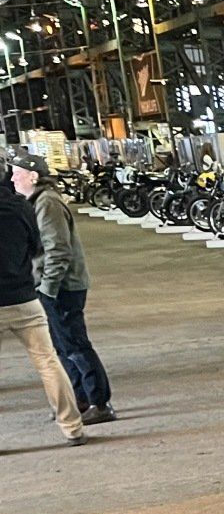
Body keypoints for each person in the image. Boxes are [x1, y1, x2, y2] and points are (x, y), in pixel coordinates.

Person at [15, 155, 112, 423]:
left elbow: (58, 249)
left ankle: (99, 402)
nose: (12, 179)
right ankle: (80, 398)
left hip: (62, 287)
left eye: (17, 173)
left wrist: (48, 288)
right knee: (62, 346)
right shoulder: (36, 202)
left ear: (33, 176)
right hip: (52, 285)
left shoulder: (47, 203)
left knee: (75, 345)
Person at [1, 172, 85, 446]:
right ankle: (72, 428)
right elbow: (36, 247)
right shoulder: (21, 207)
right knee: (48, 362)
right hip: (25, 298)